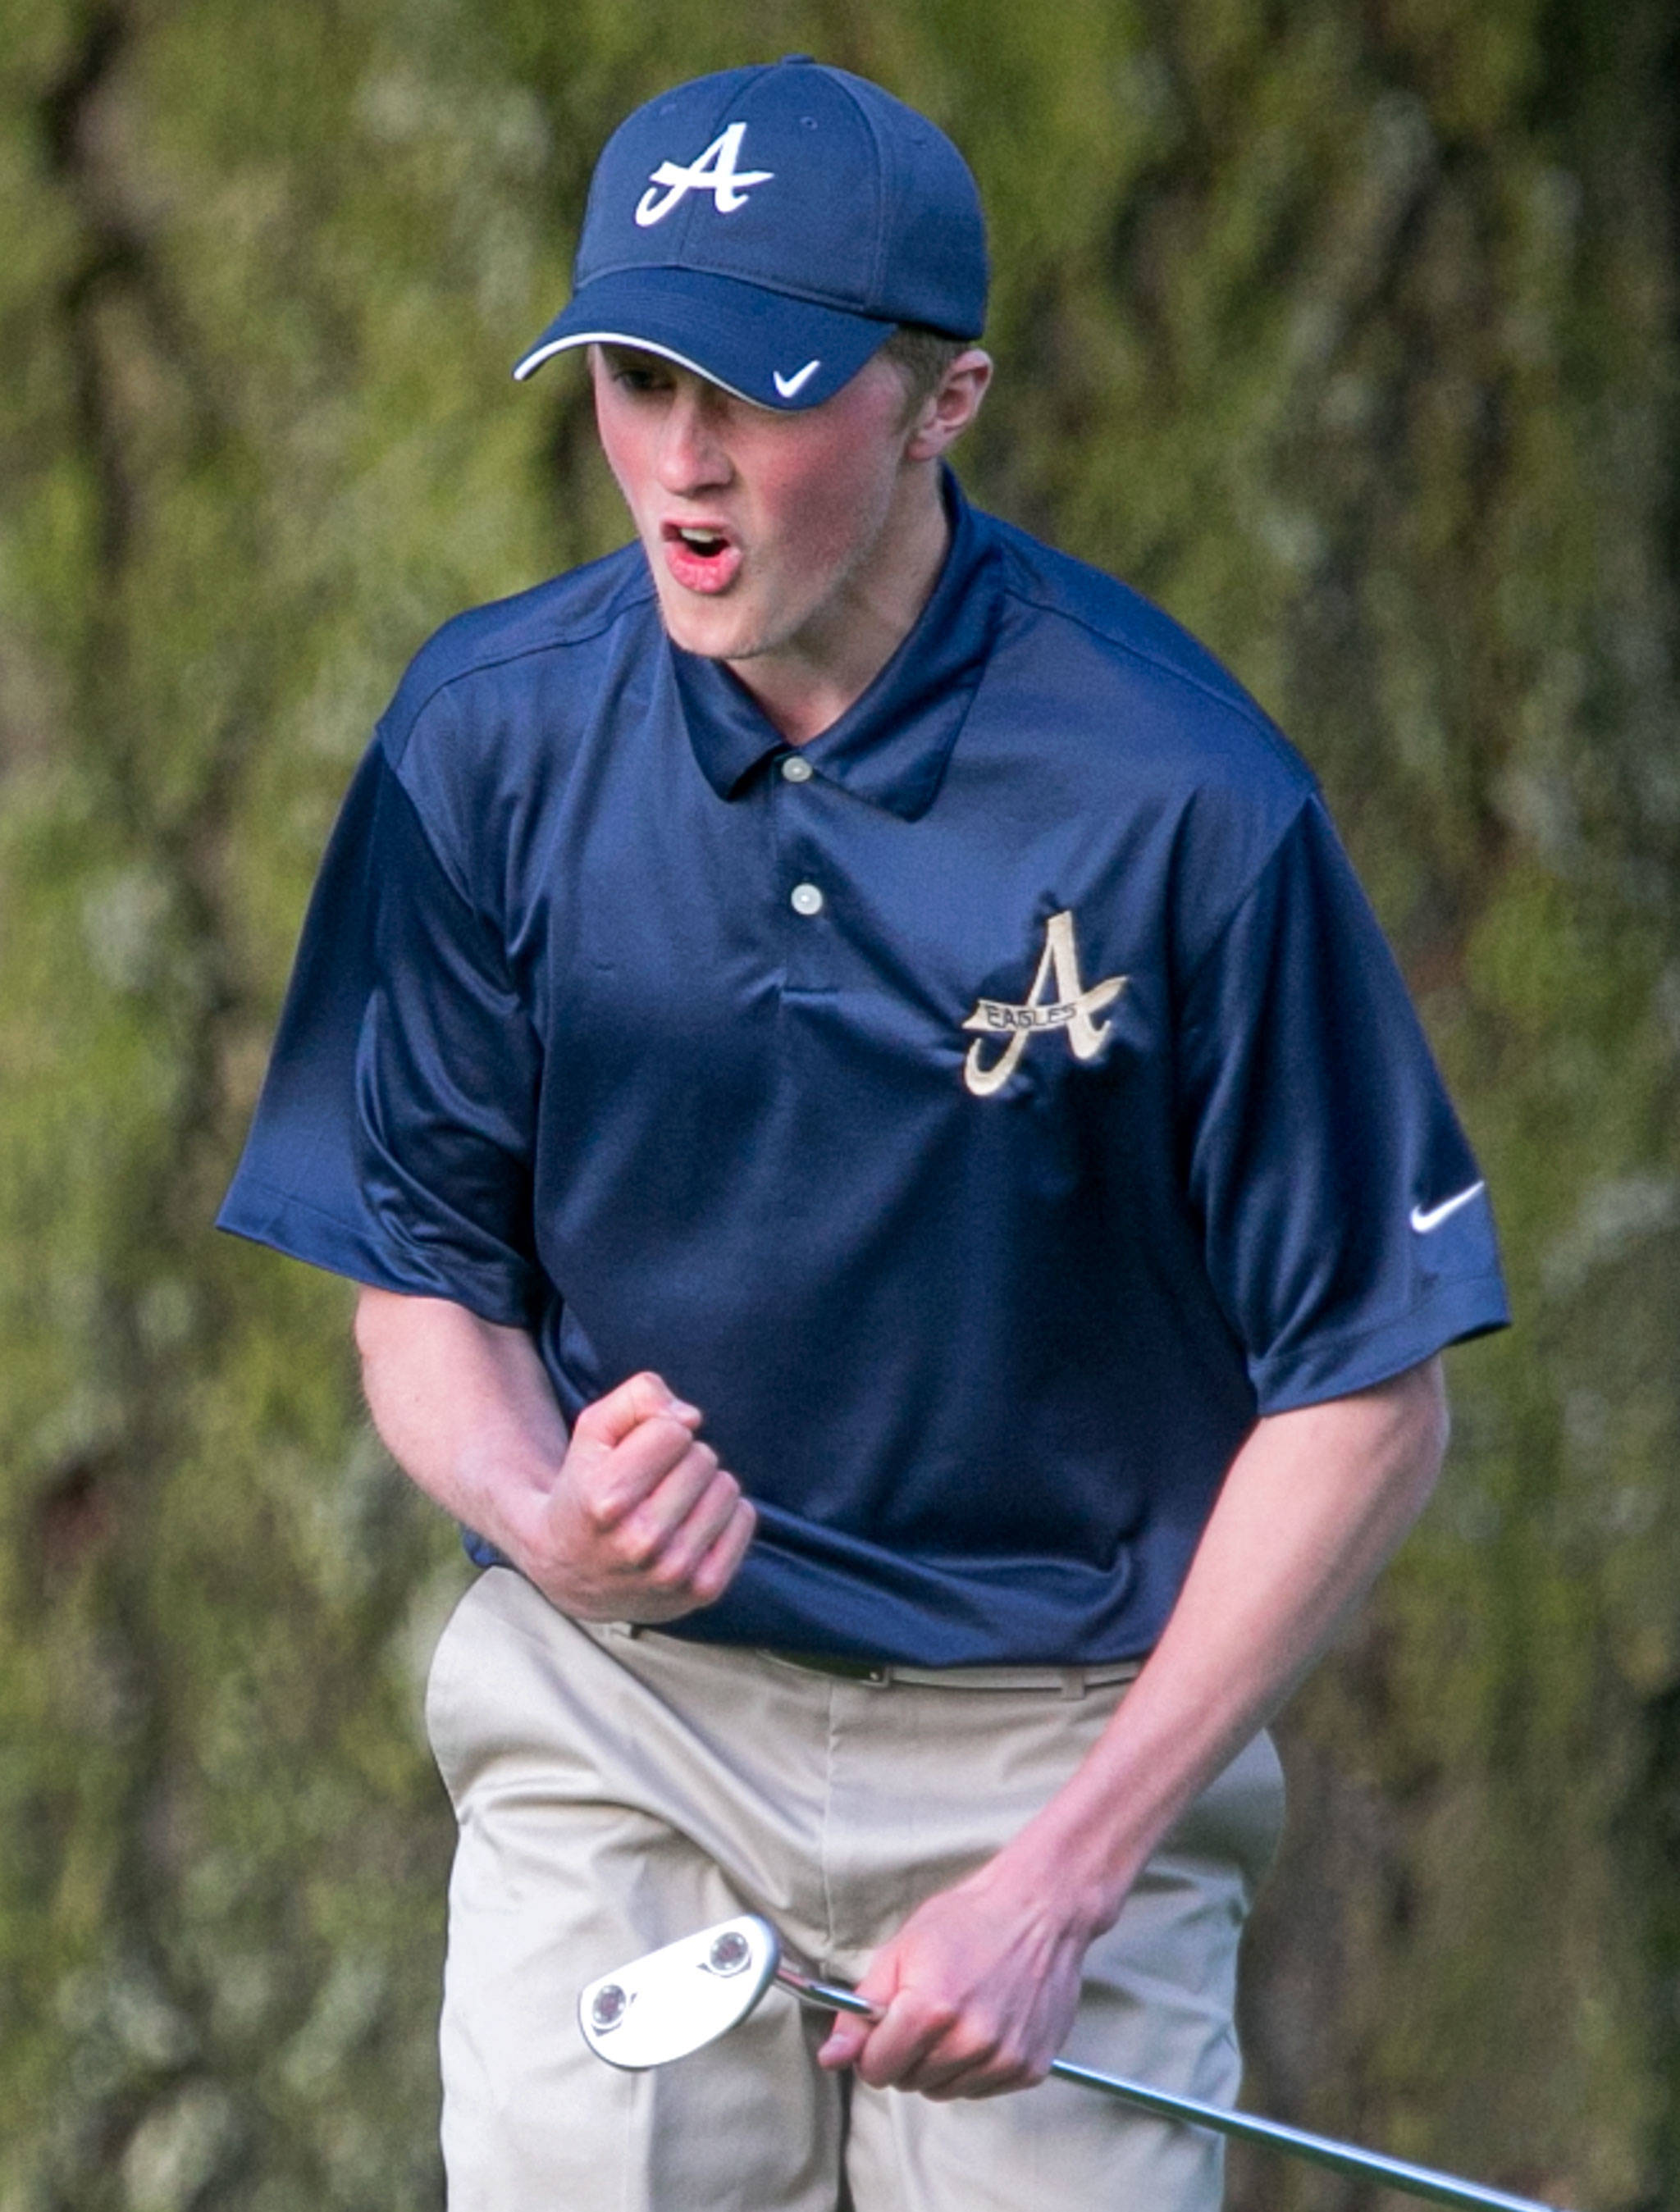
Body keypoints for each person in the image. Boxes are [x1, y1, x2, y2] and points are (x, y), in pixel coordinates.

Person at [219, 55, 1510, 2212]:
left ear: (948, 398)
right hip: (622, 1708)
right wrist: (547, 1511)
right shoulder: (483, 742)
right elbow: (420, 1280)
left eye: (770, 387)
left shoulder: (1185, 797)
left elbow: (1369, 1393)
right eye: (638, 376)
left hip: (1059, 1726)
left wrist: (1064, 1878)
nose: (686, 462)